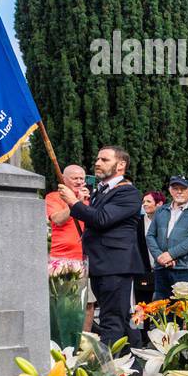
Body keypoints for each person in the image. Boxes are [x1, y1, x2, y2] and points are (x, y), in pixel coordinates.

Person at [56, 146, 144, 349]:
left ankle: (107, 370)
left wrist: (73, 202)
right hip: (100, 264)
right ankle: (135, 360)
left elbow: (102, 219)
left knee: (111, 319)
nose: (97, 163)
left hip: (116, 265)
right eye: (97, 159)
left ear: (120, 165)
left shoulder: (128, 193)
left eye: (104, 159)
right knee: (116, 316)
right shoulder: (101, 191)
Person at [46, 163, 95, 329]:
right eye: (75, 178)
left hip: (86, 257)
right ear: (64, 179)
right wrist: (75, 204)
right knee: (61, 301)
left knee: (88, 302)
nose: (80, 181)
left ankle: (84, 344)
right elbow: (58, 219)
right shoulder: (53, 197)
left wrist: (87, 202)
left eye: (82, 178)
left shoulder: (91, 198)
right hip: (61, 258)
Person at [146, 176, 188, 300]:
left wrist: (171, 254)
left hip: (186, 269)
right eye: (175, 188)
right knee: (162, 308)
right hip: (162, 267)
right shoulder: (161, 210)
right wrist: (159, 256)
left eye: (183, 188)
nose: (179, 191)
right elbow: (150, 235)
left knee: (184, 309)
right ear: (170, 190)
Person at [134, 190, 165, 309]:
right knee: (142, 306)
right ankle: (142, 328)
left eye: (148, 201)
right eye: (143, 202)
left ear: (159, 204)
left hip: (164, 269)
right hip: (144, 270)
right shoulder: (138, 222)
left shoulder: (168, 221)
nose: (145, 204)